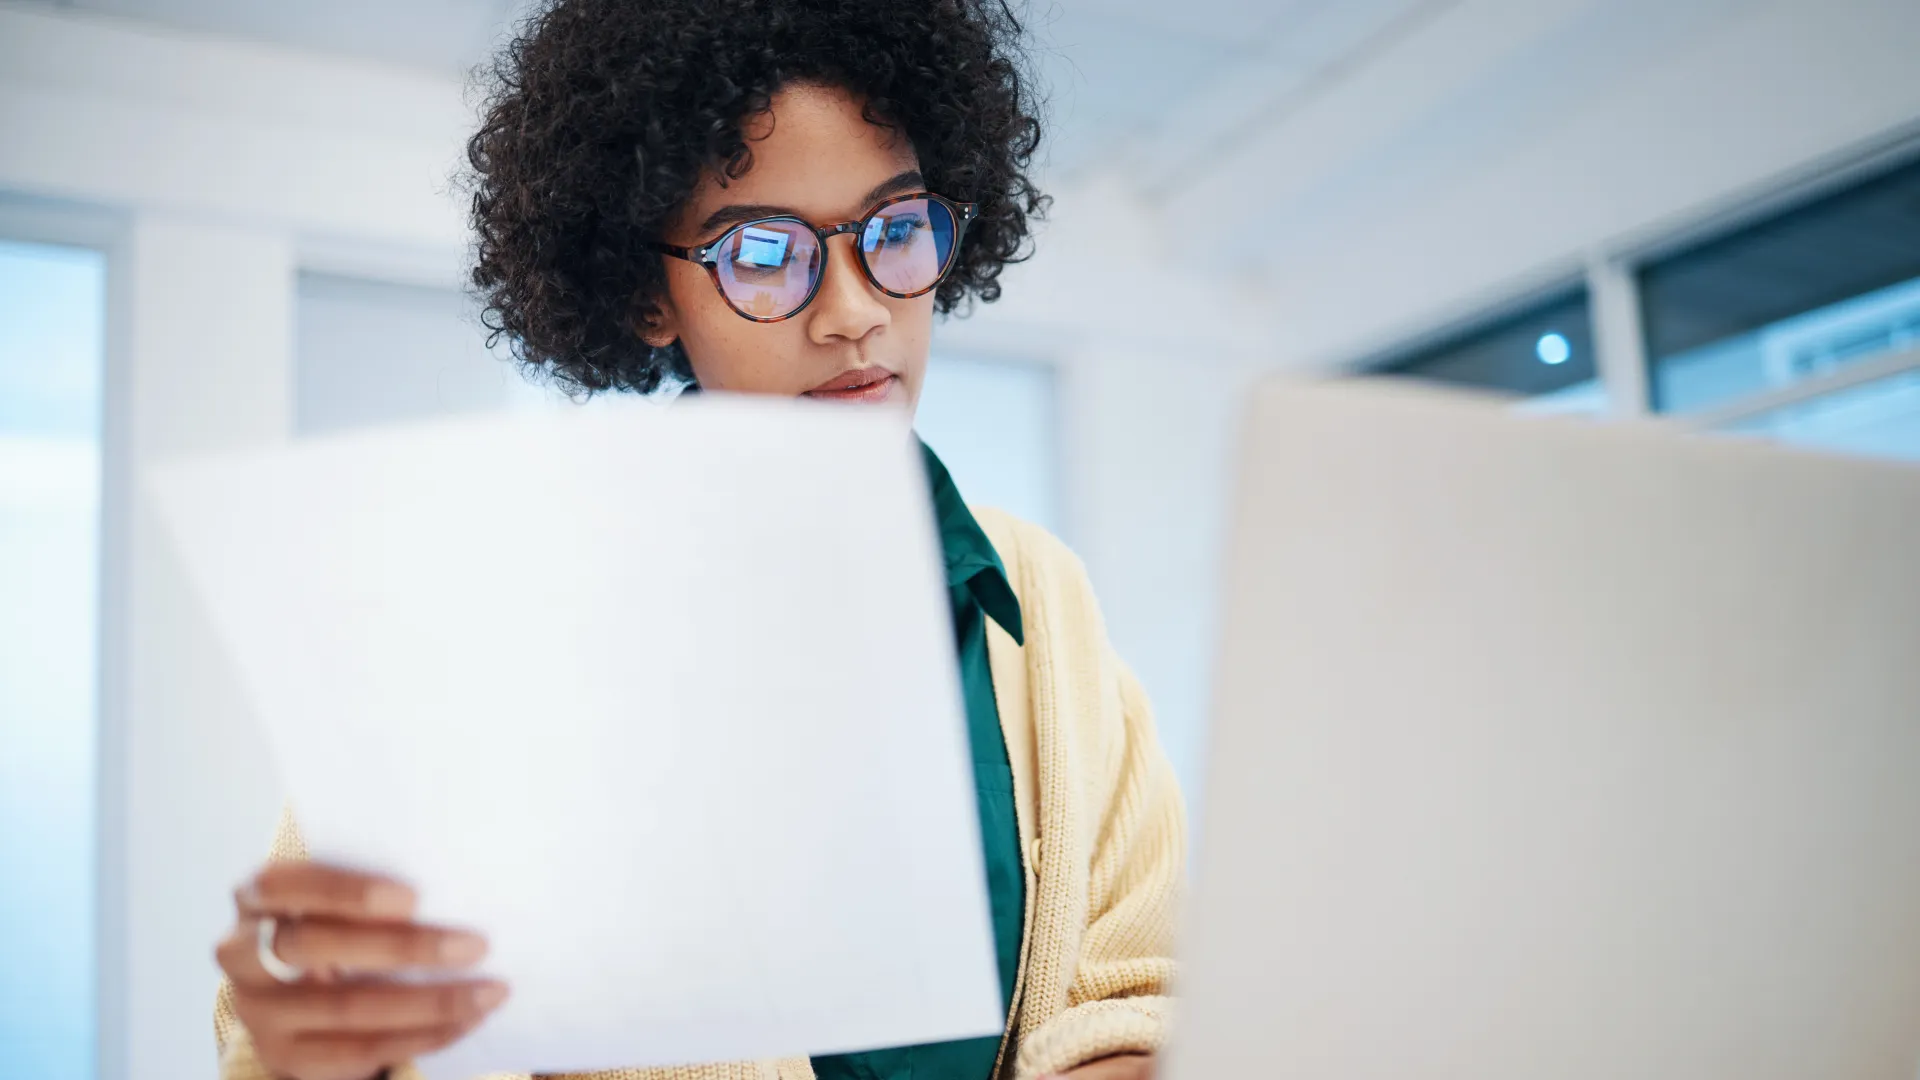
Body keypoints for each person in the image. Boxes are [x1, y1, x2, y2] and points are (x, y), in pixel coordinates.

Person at [210, 2, 1185, 1079]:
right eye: (763, 254)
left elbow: (1136, 995)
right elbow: (292, 1028)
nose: (856, 313)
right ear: (647, 296)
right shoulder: (499, 614)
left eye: (895, 229)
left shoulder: (1040, 603)